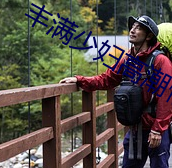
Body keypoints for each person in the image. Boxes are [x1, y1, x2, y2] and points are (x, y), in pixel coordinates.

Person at [59, 15, 172, 168]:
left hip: (155, 128)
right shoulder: (127, 59)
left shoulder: (160, 61)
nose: (132, 30)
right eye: (132, 27)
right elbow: (108, 79)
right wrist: (80, 80)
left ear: (149, 36)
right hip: (135, 128)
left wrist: (158, 130)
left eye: (138, 28)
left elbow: (166, 97)